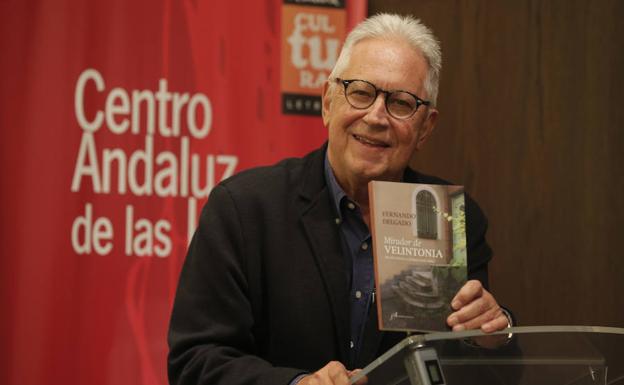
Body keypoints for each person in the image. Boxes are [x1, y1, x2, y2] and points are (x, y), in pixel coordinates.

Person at [168, 13, 512, 385]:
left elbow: (481, 373)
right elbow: (195, 361)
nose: (376, 117)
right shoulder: (244, 209)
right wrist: (295, 384)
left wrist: (492, 337)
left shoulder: (449, 219)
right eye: (361, 93)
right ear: (328, 101)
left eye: (400, 103)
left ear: (425, 127)